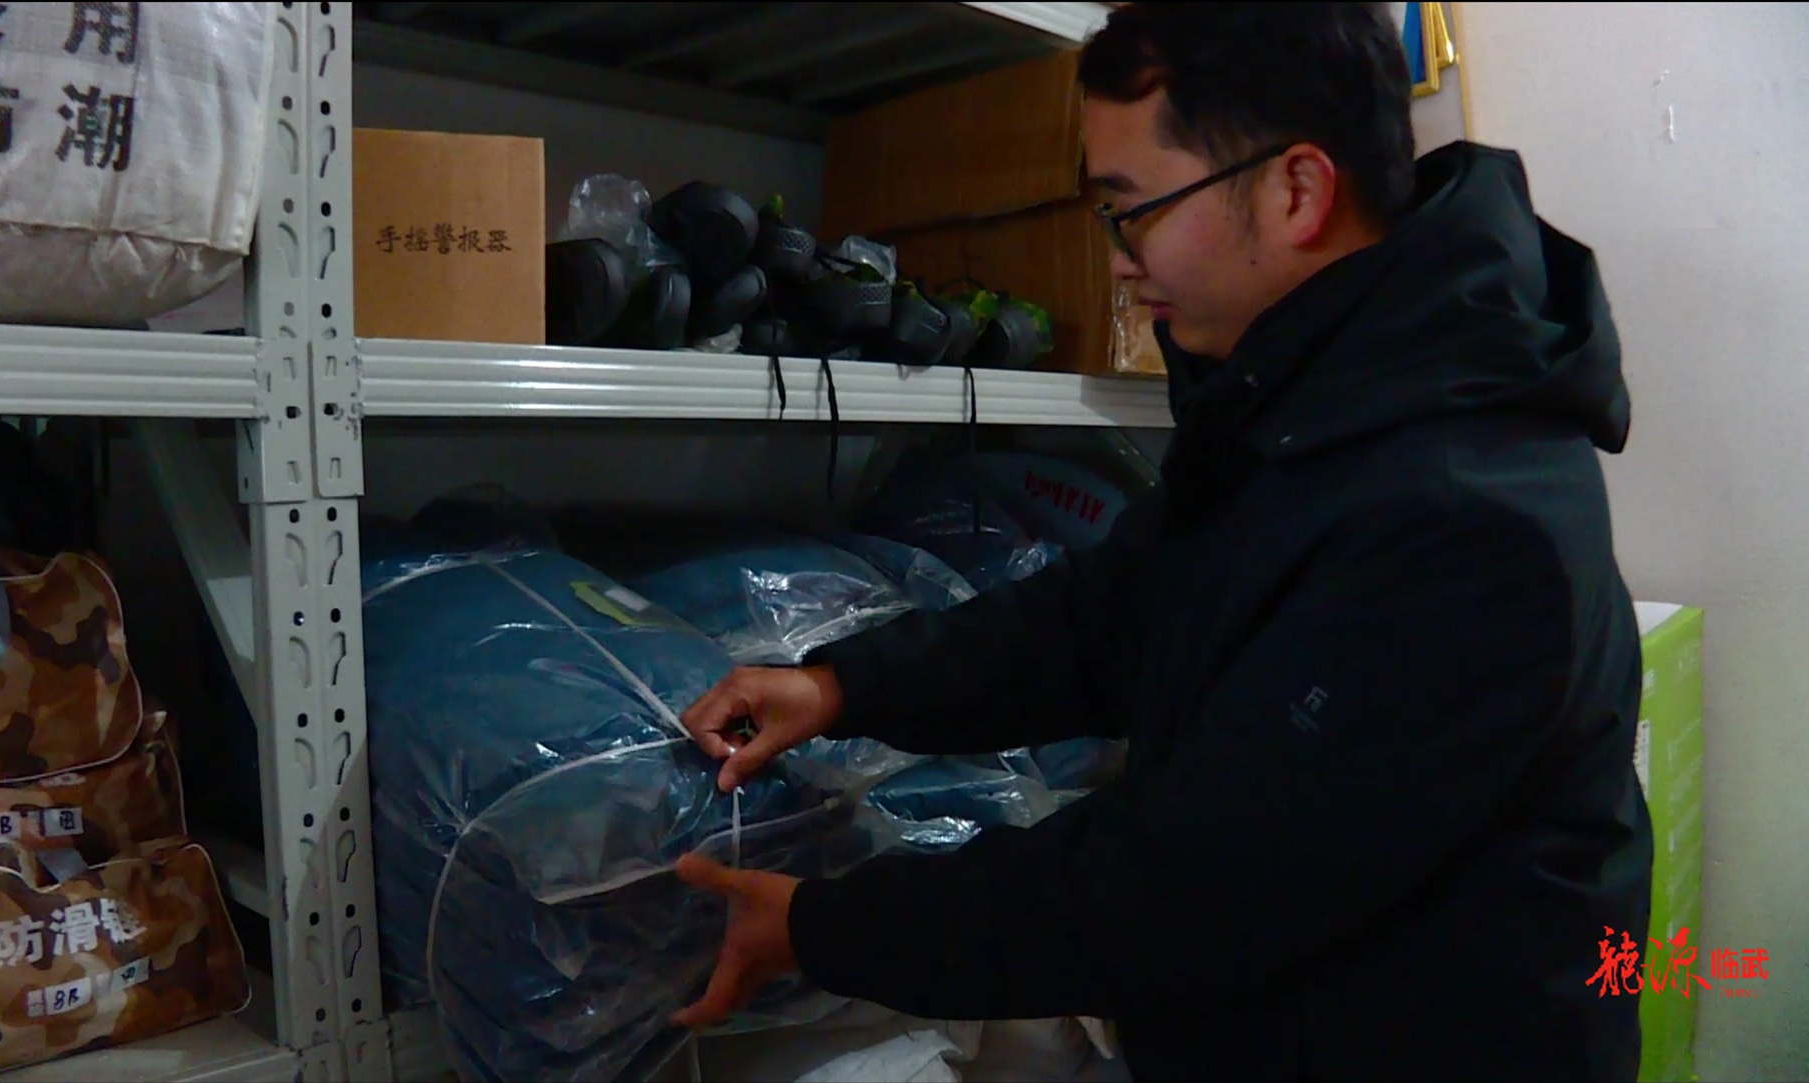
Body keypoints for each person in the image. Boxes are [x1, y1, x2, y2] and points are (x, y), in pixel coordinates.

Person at [670, 3, 1652, 1079]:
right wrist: (840, 686)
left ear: (1296, 191)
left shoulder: (1464, 520)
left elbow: (1184, 888)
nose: (1120, 262)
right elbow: (1109, 618)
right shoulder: (1310, 400)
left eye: (1133, 209)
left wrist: (819, 927)